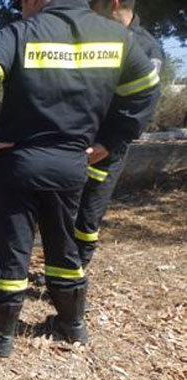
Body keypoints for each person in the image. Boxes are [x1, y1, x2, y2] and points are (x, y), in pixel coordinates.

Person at [0, 0, 160, 357]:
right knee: (64, 244)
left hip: (19, 165)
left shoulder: (20, 33)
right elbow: (147, 89)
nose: (22, 7)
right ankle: (72, 325)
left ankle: (1, 337)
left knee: (11, 250)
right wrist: (111, 140)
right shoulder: (118, 38)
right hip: (71, 167)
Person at [74, 0, 164, 267]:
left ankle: (75, 272)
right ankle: (61, 265)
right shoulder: (94, 36)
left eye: (93, 5)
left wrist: (109, 142)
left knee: (88, 214)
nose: (89, 11)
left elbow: (143, 102)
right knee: (63, 208)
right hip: (78, 137)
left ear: (112, 3)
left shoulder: (147, 48)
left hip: (107, 147)